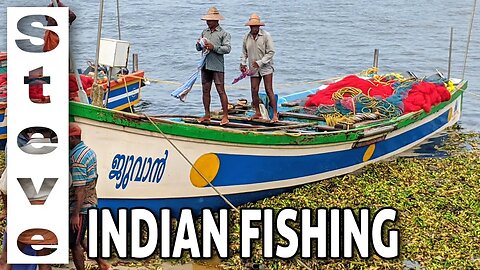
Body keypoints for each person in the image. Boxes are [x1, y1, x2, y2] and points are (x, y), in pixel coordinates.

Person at [69, 124, 110, 270]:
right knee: (79, 237)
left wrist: (75, 214)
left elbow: (80, 189)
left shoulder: (77, 158)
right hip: (91, 200)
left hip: (81, 206)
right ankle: (102, 263)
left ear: (72, 138)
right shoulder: (88, 151)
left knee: (74, 243)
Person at [196, 6, 231, 126]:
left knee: (221, 90)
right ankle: (207, 114)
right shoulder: (204, 32)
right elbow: (198, 48)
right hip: (205, 65)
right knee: (205, 90)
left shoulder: (223, 33)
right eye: (207, 20)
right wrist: (199, 44)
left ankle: (225, 116)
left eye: (210, 20)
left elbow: (227, 49)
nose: (208, 22)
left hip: (217, 66)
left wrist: (214, 47)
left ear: (216, 21)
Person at [240, 13, 278, 122]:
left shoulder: (266, 36)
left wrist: (260, 62)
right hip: (253, 68)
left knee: (269, 89)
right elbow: (244, 52)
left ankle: (275, 114)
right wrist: (242, 63)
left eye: (255, 26)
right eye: (252, 27)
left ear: (259, 26)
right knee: (254, 89)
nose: (254, 29)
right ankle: (257, 112)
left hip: (266, 67)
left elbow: (271, 52)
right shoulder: (246, 37)